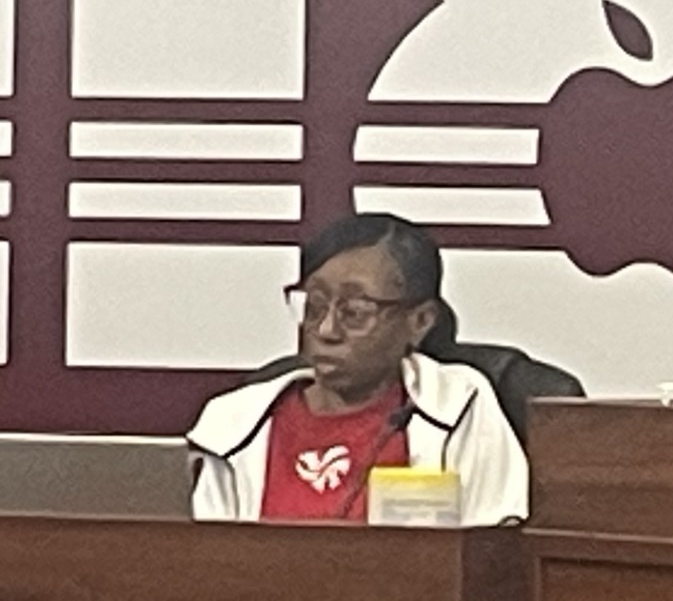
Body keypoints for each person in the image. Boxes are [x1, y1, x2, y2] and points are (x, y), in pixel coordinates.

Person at [188, 213, 530, 523]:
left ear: (420, 320)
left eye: (354, 312)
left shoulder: (458, 405)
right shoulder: (232, 423)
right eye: (314, 306)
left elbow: (492, 549)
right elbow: (204, 556)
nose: (326, 330)